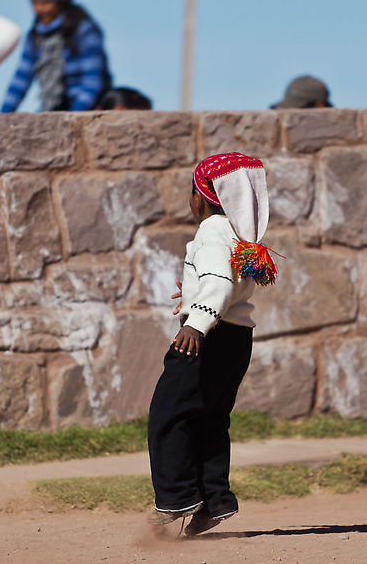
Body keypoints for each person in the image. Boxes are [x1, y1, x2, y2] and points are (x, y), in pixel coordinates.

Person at [146, 152, 278, 537]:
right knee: (211, 418)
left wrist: (197, 323)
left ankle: (176, 498)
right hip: (236, 338)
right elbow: (226, 284)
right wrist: (191, 294)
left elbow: (218, 284)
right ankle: (215, 500)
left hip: (207, 339)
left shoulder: (211, 230)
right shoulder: (240, 231)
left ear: (201, 196)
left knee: (168, 414)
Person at [0, 0, 112, 112]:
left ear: (60, 2)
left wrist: (74, 115)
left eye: (44, 3)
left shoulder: (83, 30)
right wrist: (3, 113)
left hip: (88, 107)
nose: (38, 9)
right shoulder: (35, 36)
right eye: (34, 3)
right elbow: (21, 79)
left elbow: (93, 80)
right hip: (52, 106)